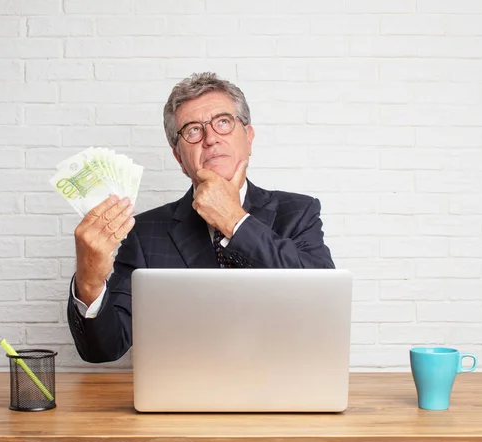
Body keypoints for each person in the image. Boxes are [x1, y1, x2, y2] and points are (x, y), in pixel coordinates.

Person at [67, 72, 335, 363]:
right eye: (193, 130)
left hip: (284, 387)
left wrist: (235, 221)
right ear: (179, 157)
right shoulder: (145, 233)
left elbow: (322, 305)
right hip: (182, 396)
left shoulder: (298, 212)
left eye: (223, 122)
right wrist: (90, 282)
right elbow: (104, 349)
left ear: (248, 137)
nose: (210, 139)